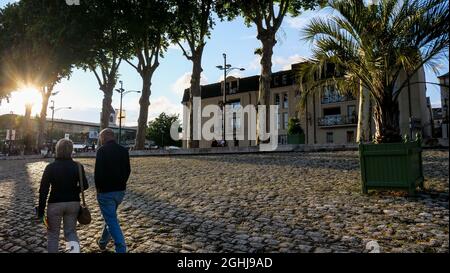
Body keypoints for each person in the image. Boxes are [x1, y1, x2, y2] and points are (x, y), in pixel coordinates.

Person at [38, 138, 89, 253]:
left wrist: (41, 210)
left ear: (57, 150)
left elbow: (43, 190)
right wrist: (73, 191)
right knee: (71, 232)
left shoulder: (50, 167)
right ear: (71, 150)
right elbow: (85, 185)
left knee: (53, 235)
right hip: (73, 203)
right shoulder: (78, 166)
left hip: (55, 203)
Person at [95, 128, 131, 253]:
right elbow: (128, 170)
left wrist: (99, 190)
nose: (100, 140)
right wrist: (122, 183)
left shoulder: (102, 151)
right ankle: (103, 242)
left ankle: (121, 248)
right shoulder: (123, 150)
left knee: (111, 220)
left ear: (104, 137)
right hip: (120, 192)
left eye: (100, 138)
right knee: (110, 217)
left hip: (106, 192)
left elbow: (98, 173)